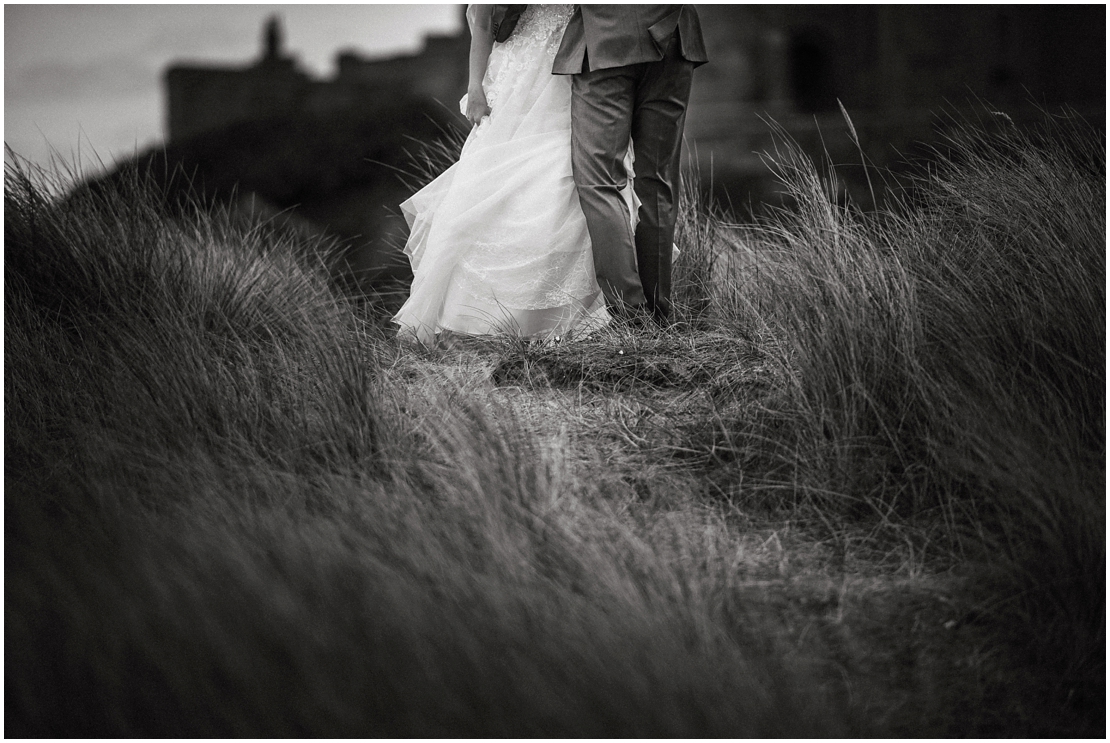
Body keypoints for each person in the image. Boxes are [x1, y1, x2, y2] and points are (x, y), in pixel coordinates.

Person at [393, 5, 618, 344]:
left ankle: (572, 315)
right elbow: (481, 21)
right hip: (521, 75)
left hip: (574, 71)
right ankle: (501, 318)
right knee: (509, 183)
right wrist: (476, 86)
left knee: (567, 175)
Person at [553, 6, 708, 326]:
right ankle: (658, 312)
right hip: (674, 38)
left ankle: (631, 317)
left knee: (600, 183)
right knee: (658, 181)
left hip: (607, 38)